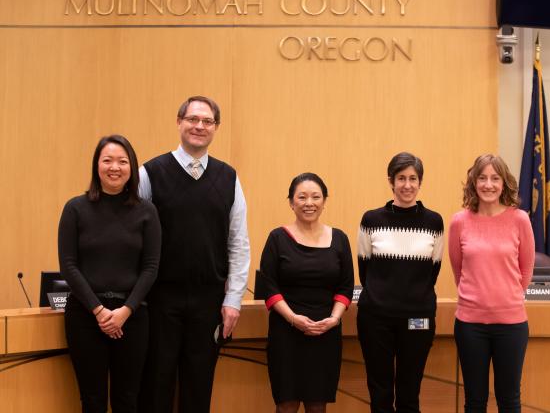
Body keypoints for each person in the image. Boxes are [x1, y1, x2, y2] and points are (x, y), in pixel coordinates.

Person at [138, 95, 251, 413]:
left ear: (216, 128)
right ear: (179, 122)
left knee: (199, 386)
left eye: (207, 121)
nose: (199, 126)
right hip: (160, 299)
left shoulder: (228, 177)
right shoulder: (150, 173)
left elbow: (239, 243)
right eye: (192, 119)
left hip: (209, 301)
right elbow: (133, 235)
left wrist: (233, 301)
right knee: (156, 383)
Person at [58, 134, 161, 413]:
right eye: (107, 160)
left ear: (132, 168)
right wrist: (99, 311)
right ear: (96, 166)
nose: (114, 167)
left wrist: (125, 311)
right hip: (85, 316)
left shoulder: (147, 211)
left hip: (133, 317)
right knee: (92, 400)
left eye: (122, 161)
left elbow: (151, 267)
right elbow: (68, 264)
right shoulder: (75, 209)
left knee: (128, 399)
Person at [356, 152, 444, 413]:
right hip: (376, 319)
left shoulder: (434, 222)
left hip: (418, 318)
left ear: (420, 182)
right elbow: (364, 267)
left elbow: (434, 270)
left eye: (413, 178)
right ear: (391, 181)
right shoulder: (371, 220)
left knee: (409, 393)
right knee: (380, 393)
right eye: (401, 178)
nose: (407, 185)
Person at [259, 173, 354, 413]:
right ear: (291, 202)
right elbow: (269, 288)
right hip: (286, 332)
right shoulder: (277, 238)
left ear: (324, 201)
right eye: (301, 197)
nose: (308, 202)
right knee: (286, 405)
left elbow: (345, 287)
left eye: (315, 197)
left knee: (317, 405)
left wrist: (334, 319)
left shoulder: (340, 239)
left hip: (326, 332)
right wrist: (293, 318)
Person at [448, 154, 535, 413]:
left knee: (509, 400)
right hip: (470, 325)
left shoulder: (520, 219)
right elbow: (458, 269)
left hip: (512, 325)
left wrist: (504, 300)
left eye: (495, 178)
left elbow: (526, 270)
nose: (488, 184)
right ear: (474, 183)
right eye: (482, 178)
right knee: (475, 401)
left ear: (504, 183)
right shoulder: (459, 221)